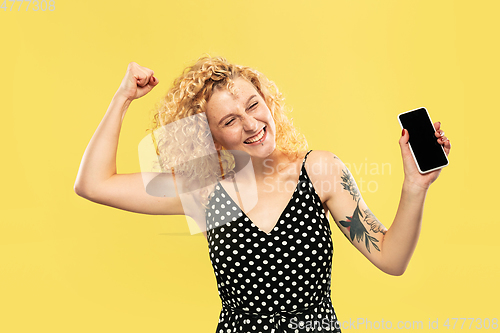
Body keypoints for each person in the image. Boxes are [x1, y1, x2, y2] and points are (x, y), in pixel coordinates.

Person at [74, 56, 451, 333]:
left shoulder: (319, 170)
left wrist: (414, 187)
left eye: (253, 105)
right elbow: (94, 184)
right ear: (210, 136)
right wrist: (123, 98)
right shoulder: (204, 189)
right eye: (229, 120)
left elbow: (392, 258)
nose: (252, 124)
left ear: (267, 100)